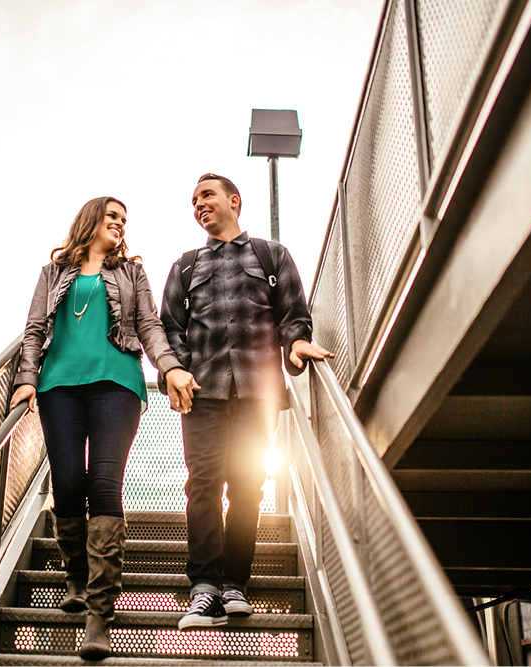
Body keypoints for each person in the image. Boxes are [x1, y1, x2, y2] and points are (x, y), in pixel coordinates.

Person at [10, 196, 198, 659]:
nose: (120, 224)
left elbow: (149, 325)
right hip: (59, 385)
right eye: (112, 216)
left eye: (124, 220)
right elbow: (34, 329)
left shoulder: (132, 272)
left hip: (117, 384)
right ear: (91, 219)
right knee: (68, 482)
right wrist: (26, 378)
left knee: (104, 483)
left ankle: (99, 612)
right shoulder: (53, 273)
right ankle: (75, 574)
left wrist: (170, 367)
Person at [159, 174, 333, 631]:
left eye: (207, 195)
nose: (198, 204)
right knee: (203, 485)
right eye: (193, 200)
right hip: (203, 393)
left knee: (247, 485)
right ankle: (204, 588)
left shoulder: (271, 256)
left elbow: (293, 314)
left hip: (259, 392)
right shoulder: (185, 266)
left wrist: (297, 344)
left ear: (234, 201)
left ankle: (234, 583)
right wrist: (175, 370)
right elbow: (170, 327)